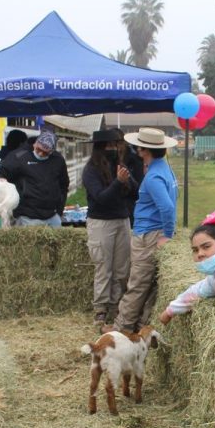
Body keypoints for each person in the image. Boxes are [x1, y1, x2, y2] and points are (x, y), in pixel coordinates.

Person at [105, 128, 178, 335]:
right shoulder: (165, 169)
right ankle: (138, 328)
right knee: (148, 287)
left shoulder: (154, 176)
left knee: (137, 285)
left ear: (144, 150)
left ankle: (121, 330)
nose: (136, 148)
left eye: (139, 145)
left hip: (148, 234)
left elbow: (167, 207)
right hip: (153, 231)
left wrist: (167, 234)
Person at [82, 129, 140, 327]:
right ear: (100, 148)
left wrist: (127, 181)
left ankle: (116, 305)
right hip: (101, 222)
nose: (114, 149)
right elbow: (101, 197)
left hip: (122, 220)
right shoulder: (90, 170)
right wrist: (118, 182)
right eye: (110, 146)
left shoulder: (120, 166)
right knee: (103, 267)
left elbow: (136, 193)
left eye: (116, 145)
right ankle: (100, 308)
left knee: (121, 268)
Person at [0, 129, 69, 228]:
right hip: (27, 216)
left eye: (45, 153)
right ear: (35, 143)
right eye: (39, 149)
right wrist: (1, 178)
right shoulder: (19, 156)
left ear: (52, 151)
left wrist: (59, 211)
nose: (40, 154)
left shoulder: (58, 160)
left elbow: (64, 185)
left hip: (52, 216)